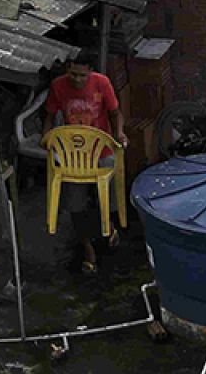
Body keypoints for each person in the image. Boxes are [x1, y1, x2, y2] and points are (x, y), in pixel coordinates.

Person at [44, 58, 125, 273]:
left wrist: (119, 133)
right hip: (74, 155)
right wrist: (48, 138)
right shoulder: (58, 86)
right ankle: (88, 248)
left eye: (82, 75)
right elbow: (49, 117)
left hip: (102, 150)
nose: (77, 79)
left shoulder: (102, 83)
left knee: (108, 199)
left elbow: (116, 114)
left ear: (91, 71)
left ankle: (110, 228)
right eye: (73, 74)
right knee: (75, 206)